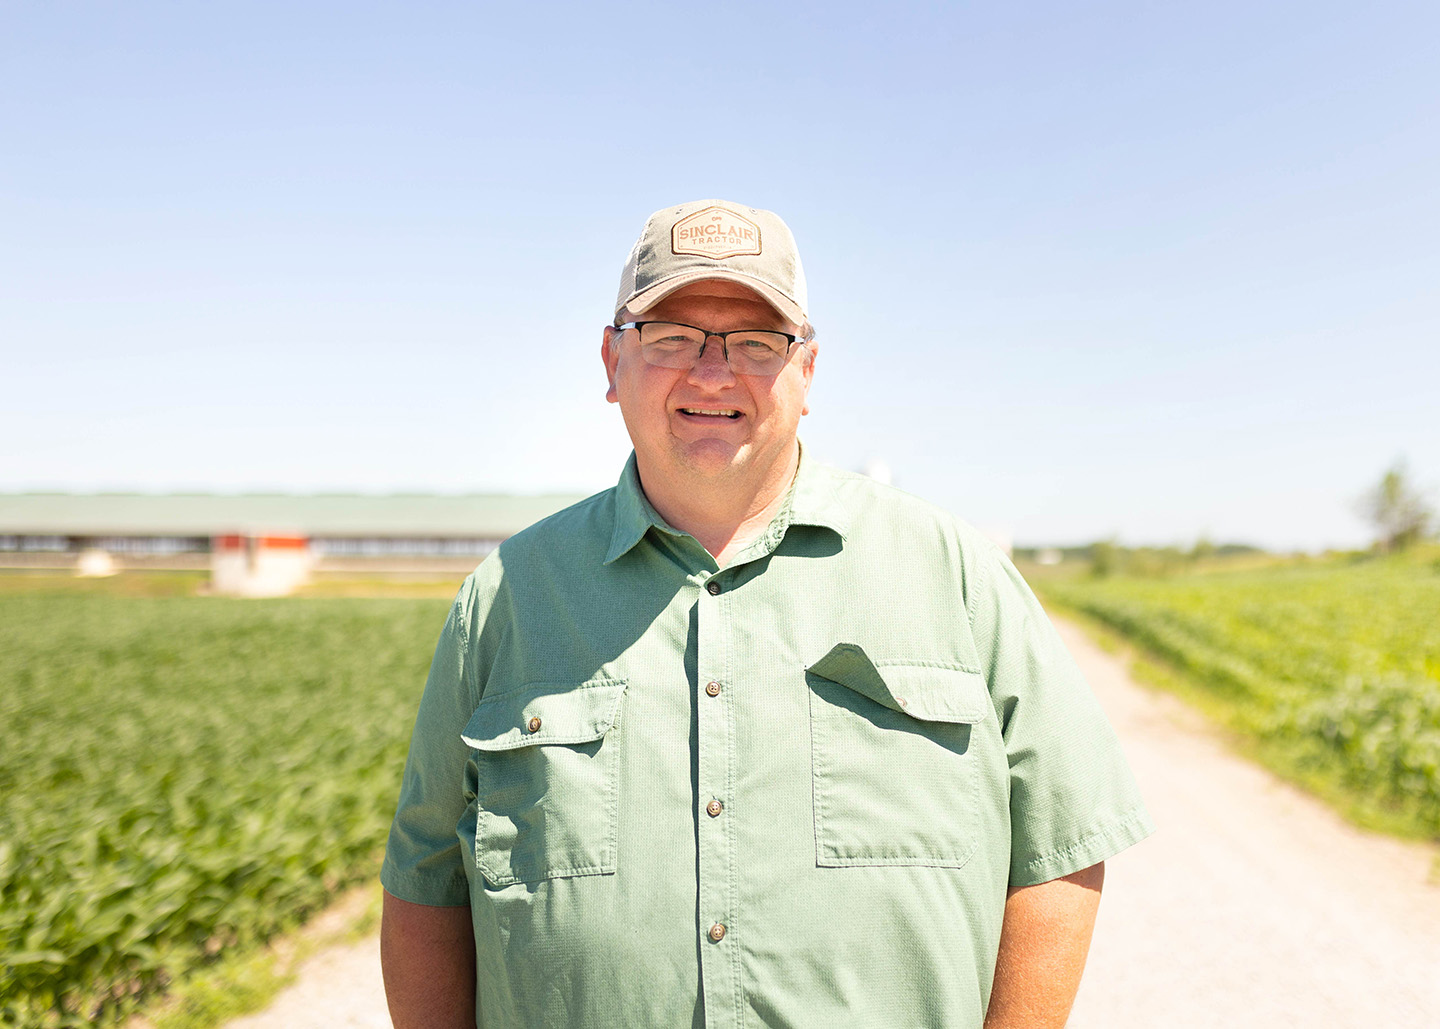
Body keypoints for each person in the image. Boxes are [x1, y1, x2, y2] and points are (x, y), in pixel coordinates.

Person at [379, 199, 1154, 1028]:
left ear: (808, 370)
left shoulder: (956, 574)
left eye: (756, 342)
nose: (713, 374)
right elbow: (428, 885)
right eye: (672, 336)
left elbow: (1060, 853)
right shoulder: (508, 595)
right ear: (612, 361)